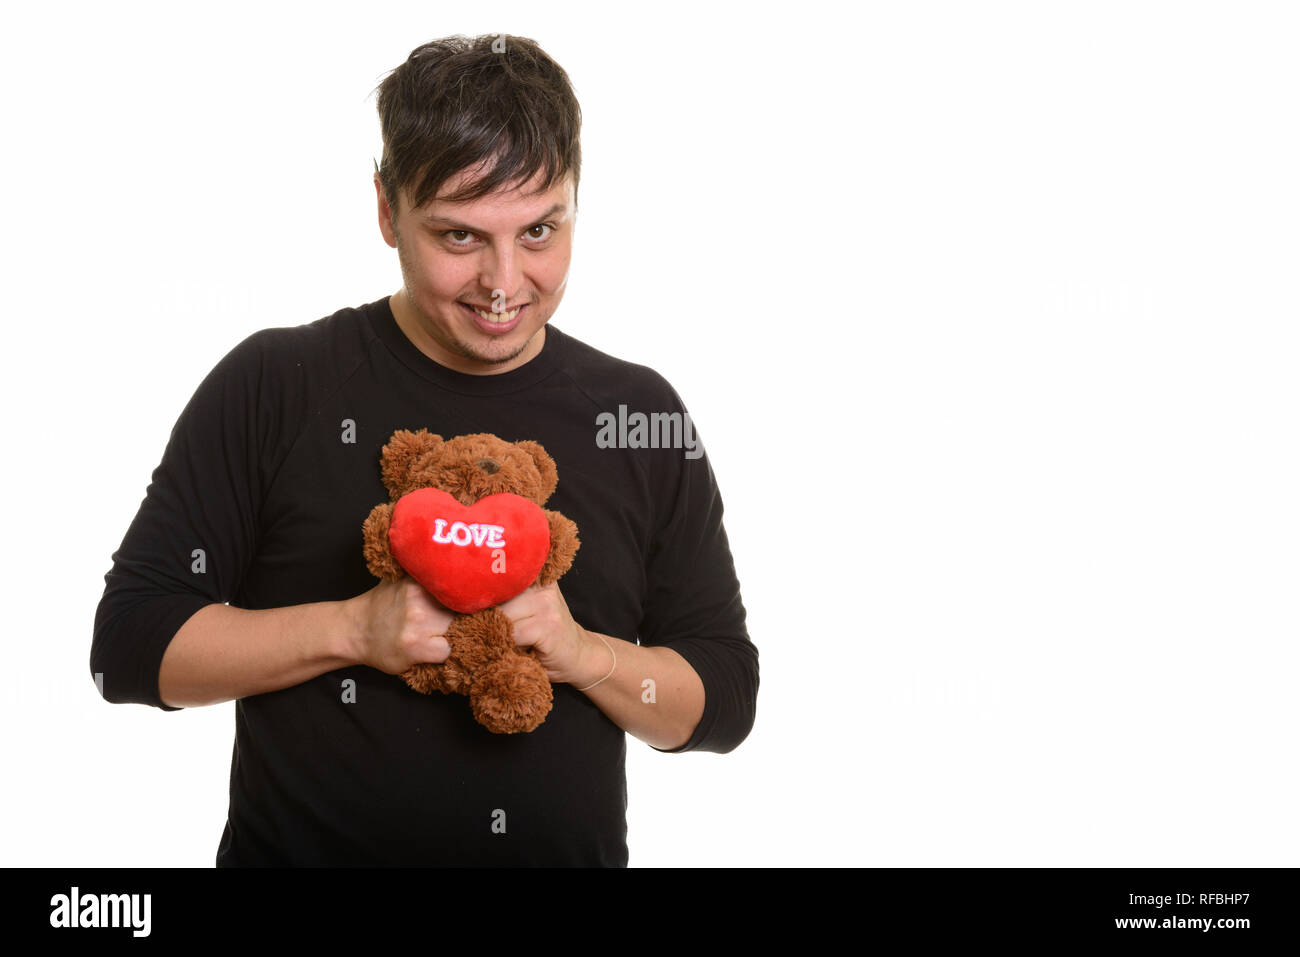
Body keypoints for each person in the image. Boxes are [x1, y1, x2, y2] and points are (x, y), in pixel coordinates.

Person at [91, 34, 758, 867]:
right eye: (459, 237)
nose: (506, 282)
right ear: (384, 208)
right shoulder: (276, 384)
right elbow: (131, 647)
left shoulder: (638, 413)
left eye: (541, 229)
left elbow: (723, 700)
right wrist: (353, 628)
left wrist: (583, 654)